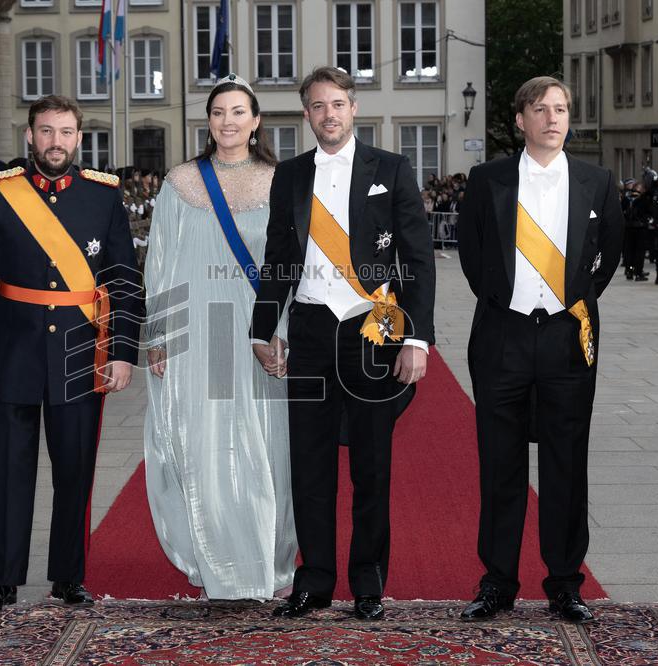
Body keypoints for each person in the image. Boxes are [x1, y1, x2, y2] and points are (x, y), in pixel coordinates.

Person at [251, 66, 435, 621]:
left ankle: (369, 583)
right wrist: (263, 329)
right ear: (306, 114)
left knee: (372, 465)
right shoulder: (290, 176)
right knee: (309, 463)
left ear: (354, 107)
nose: (327, 115)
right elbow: (278, 257)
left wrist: (418, 339)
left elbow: (418, 261)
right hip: (308, 331)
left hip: (372, 330)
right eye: (316, 106)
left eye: (337, 104)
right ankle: (314, 581)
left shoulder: (393, 170)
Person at [0, 94, 142, 613]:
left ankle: (68, 576)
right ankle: (3, 580)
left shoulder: (104, 196)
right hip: (11, 351)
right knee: (9, 472)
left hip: (81, 352)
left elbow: (123, 280)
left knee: (75, 469)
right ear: (30, 136)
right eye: (45, 131)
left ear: (79, 138)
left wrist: (122, 351)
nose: (55, 142)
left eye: (64, 132)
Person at [456, 77, 624, 624]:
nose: (553, 118)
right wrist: (511, 304)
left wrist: (564, 303)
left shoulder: (597, 181)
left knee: (566, 466)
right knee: (499, 465)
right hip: (501, 337)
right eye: (541, 109)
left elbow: (609, 256)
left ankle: (565, 584)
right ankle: (498, 583)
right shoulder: (488, 180)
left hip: (567, 341)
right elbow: (473, 253)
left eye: (561, 108)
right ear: (521, 119)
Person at [143, 74, 296, 600]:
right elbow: (159, 263)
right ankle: (218, 565)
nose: (227, 122)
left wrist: (284, 331)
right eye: (218, 113)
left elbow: (292, 264)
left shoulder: (284, 181)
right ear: (208, 122)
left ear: (255, 122)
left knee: (264, 448)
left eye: (238, 112)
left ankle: (267, 564)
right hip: (200, 332)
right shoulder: (181, 182)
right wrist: (158, 334)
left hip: (260, 331)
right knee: (207, 446)